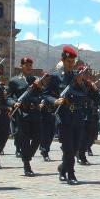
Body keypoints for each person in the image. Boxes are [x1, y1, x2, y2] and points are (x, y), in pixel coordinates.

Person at [43, 46, 88, 185]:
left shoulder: (76, 77)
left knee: (75, 148)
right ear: (62, 60)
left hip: (78, 116)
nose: (71, 64)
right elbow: (45, 95)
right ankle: (71, 174)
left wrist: (81, 84)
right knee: (68, 147)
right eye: (68, 61)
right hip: (63, 117)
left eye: (73, 61)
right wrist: (55, 101)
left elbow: (84, 96)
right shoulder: (55, 76)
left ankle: (63, 169)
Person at [7, 57, 46, 176]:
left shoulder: (36, 80)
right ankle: (26, 164)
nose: (29, 67)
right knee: (24, 139)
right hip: (23, 112)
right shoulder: (14, 81)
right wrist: (14, 103)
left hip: (35, 112)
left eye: (30, 65)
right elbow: (8, 96)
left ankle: (27, 156)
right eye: (26, 65)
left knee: (38, 138)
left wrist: (40, 89)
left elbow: (44, 94)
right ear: (21, 66)